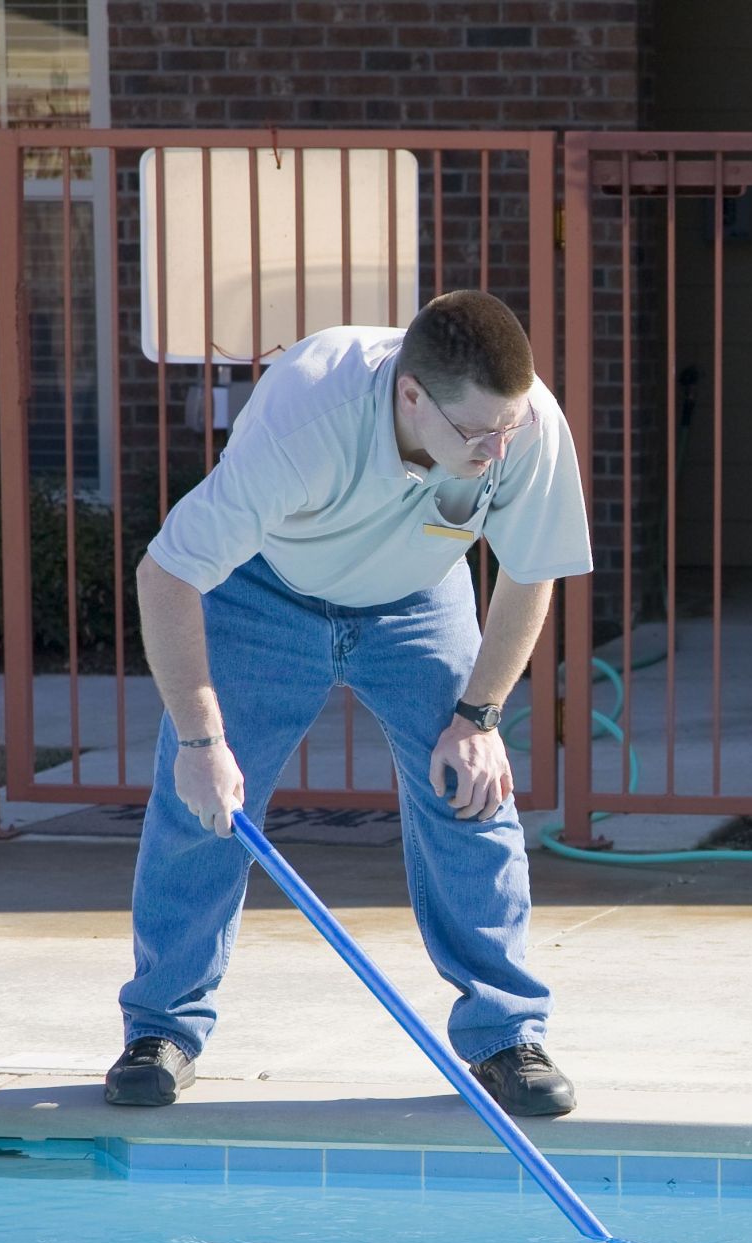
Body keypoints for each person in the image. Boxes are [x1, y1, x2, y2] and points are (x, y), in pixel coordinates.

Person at [105, 290, 588, 1118]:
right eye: (476, 435)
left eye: (504, 431)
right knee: (204, 804)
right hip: (268, 592)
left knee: (472, 793)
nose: (495, 449)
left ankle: (508, 1035)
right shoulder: (307, 412)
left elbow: (531, 570)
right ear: (410, 396)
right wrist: (199, 740)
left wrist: (478, 719)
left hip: (418, 595)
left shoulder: (525, 425)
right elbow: (168, 573)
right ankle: (163, 1031)